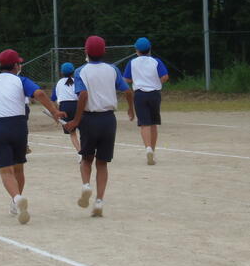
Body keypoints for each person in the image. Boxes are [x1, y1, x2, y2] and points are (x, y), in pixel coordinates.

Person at [0, 49, 65, 224]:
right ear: (16, 65)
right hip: (19, 126)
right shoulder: (20, 80)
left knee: (5, 171)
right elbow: (39, 93)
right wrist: (54, 111)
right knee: (18, 169)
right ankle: (16, 201)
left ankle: (17, 198)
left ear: (0, 65)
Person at [64, 36, 134, 218]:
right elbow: (128, 91)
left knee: (86, 159)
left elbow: (83, 95)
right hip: (108, 119)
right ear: (104, 51)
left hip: (89, 119)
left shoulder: (80, 71)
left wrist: (76, 120)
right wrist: (131, 109)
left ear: (86, 51)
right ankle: (99, 201)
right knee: (102, 163)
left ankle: (86, 185)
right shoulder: (113, 70)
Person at [122, 37, 168, 165]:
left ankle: (147, 148)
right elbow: (165, 76)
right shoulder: (156, 61)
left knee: (144, 124)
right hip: (154, 94)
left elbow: (126, 79)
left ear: (137, 50)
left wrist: (136, 79)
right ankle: (153, 150)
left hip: (140, 94)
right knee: (153, 123)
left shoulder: (132, 62)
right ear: (149, 49)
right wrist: (157, 81)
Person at [51, 62, 81, 154]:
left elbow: (53, 99)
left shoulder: (59, 83)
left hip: (64, 107)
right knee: (83, 131)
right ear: (73, 72)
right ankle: (86, 151)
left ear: (62, 72)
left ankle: (80, 152)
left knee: (72, 133)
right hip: (77, 106)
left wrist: (56, 111)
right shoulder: (77, 81)